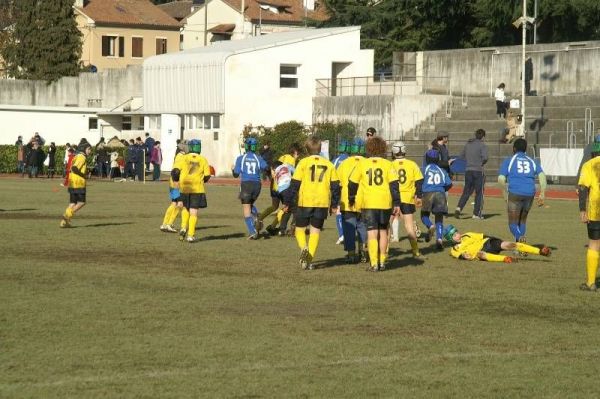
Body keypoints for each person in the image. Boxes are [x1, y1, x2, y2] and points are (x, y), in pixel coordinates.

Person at [284, 137, 340, 270]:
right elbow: (336, 187)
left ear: (306, 149)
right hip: (322, 202)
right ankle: (307, 261)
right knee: (315, 231)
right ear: (320, 149)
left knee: (300, 229)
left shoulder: (303, 163)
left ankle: (304, 248)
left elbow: (294, 185)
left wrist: (287, 202)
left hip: (305, 201)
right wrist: (334, 204)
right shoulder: (329, 164)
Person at [348, 136, 400, 271]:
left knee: (372, 232)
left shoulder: (362, 163)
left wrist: (351, 198)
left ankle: (374, 264)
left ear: (369, 149)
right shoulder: (388, 164)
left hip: (369, 202)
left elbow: (352, 183)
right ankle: (382, 262)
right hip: (385, 202)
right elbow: (394, 185)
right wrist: (397, 203)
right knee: (383, 232)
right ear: (383, 149)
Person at [498, 138, 547, 243]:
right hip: (529, 193)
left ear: (514, 149)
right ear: (525, 149)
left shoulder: (509, 161)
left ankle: (520, 238)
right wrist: (542, 193)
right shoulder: (532, 161)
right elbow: (542, 176)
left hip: (515, 193)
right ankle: (520, 247)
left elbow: (501, 179)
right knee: (522, 220)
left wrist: (504, 194)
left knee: (512, 223)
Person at [443, 224, 550, 263]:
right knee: (481, 255)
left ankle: (539, 251)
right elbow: (460, 256)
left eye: (456, 232)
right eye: (454, 235)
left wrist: (498, 241)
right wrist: (464, 256)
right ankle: (506, 259)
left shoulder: (467, 234)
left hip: (488, 243)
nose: (458, 234)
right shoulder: (454, 249)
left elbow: (484, 236)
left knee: (510, 245)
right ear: (450, 239)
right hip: (481, 252)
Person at [391, 141, 425, 259]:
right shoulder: (412, 164)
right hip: (407, 199)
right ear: (405, 150)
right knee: (409, 226)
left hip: (393, 198)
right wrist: (419, 196)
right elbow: (419, 181)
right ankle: (415, 251)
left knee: (385, 225)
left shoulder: (391, 165)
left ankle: (383, 254)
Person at [257, 143, 301, 231]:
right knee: (287, 207)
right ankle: (274, 227)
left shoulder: (282, 157)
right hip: (283, 187)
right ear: (295, 152)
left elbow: (275, 168)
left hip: (274, 185)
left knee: (274, 206)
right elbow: (290, 173)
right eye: (298, 154)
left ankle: (260, 218)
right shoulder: (291, 160)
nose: (298, 156)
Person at [337, 138, 368, 264]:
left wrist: (336, 201)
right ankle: (364, 252)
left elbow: (338, 183)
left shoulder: (344, 163)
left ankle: (351, 255)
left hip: (347, 200)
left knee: (349, 228)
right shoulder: (367, 162)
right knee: (363, 227)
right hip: (364, 201)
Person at [175, 139, 211, 243]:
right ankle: (190, 235)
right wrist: (201, 180)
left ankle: (183, 228)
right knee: (193, 212)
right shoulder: (203, 159)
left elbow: (175, 172)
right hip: (197, 189)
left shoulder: (184, 158)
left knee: (185, 208)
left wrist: (178, 181)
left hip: (184, 187)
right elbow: (207, 176)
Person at [232, 137, 268, 239]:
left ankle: (252, 231)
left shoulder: (240, 158)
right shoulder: (258, 158)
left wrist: (232, 169)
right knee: (250, 204)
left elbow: (235, 174)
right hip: (257, 185)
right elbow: (266, 168)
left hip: (246, 184)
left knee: (246, 207)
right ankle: (257, 217)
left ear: (246, 146)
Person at [577, 140, 600, 291]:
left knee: (594, 244)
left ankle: (591, 282)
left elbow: (583, 188)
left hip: (596, 211)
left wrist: (582, 210)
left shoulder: (589, 164)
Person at [421, 148, 452, 250]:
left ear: (427, 158)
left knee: (424, 215)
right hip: (440, 194)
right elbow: (449, 184)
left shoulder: (424, 169)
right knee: (439, 218)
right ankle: (439, 239)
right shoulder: (442, 170)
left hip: (428, 193)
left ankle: (430, 226)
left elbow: (419, 181)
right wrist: (443, 190)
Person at [455, 129, 488, 219]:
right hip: (478, 171)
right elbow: (485, 158)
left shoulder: (468, 144)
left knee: (466, 191)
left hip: (468, 171)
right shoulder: (482, 145)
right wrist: (480, 162)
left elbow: (461, 156)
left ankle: (459, 208)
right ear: (483, 136)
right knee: (479, 193)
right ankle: (476, 214)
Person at [60, 139, 92, 228]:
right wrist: (83, 175)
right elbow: (74, 168)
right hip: (78, 182)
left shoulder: (76, 156)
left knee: (72, 203)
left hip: (72, 182)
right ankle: (66, 216)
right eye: (89, 149)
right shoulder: (82, 157)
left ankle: (64, 222)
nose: (90, 151)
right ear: (84, 149)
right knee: (82, 202)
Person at [160, 147, 186, 232]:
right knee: (180, 204)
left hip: (172, 182)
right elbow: (176, 171)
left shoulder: (179, 156)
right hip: (176, 183)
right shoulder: (181, 157)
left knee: (174, 203)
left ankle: (164, 224)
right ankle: (169, 224)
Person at [332, 140, 350, 245]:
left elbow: (332, 173)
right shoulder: (352, 159)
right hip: (354, 189)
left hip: (340, 189)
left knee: (339, 212)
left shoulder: (336, 160)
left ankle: (342, 235)